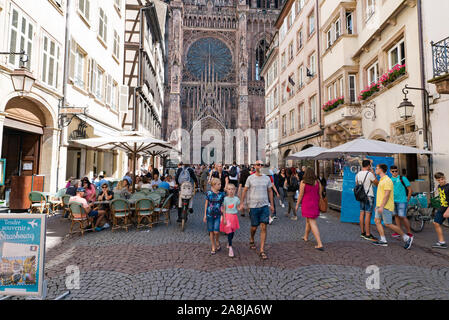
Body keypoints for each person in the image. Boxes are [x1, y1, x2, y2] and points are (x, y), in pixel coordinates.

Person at [239, 160, 275, 260]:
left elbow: (270, 191)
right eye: (258, 164)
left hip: (264, 206)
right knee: (254, 227)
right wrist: (242, 203)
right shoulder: (250, 178)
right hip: (253, 206)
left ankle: (262, 250)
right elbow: (245, 191)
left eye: (261, 165)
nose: (259, 166)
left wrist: (271, 205)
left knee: (264, 227)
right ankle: (252, 238)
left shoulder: (267, 178)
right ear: (254, 166)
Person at [372, 164, 413, 249]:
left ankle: (406, 238)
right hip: (380, 205)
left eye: (377, 168)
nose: (375, 169)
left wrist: (382, 206)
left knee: (388, 224)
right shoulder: (382, 179)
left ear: (381, 170)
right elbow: (381, 194)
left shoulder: (387, 180)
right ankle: (383, 240)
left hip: (385, 206)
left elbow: (387, 194)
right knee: (377, 221)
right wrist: (378, 206)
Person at [295, 167, 324, 251]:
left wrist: (297, 205)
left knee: (312, 222)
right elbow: (320, 194)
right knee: (308, 221)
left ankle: (319, 243)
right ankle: (306, 236)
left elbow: (300, 195)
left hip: (307, 204)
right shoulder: (317, 182)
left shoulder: (303, 182)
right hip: (315, 203)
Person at [355, 160, 379, 241]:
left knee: (362, 213)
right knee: (368, 214)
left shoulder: (358, 174)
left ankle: (362, 232)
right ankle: (368, 234)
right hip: (369, 195)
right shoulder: (370, 174)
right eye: (370, 165)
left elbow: (357, 184)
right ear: (368, 166)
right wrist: (373, 174)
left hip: (361, 196)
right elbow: (377, 183)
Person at [390, 165, 413, 239]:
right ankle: (399, 231)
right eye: (393, 171)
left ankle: (409, 232)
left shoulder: (402, 178)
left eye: (396, 171)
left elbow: (409, 189)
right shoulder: (389, 179)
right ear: (390, 172)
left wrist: (408, 198)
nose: (394, 172)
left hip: (402, 201)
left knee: (402, 216)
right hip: (393, 201)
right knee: (396, 216)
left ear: (398, 171)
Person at [204, 178, 226, 255]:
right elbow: (206, 204)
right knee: (211, 231)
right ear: (213, 185)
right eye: (218, 184)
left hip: (218, 215)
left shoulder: (222, 194)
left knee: (216, 231)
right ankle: (213, 246)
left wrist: (224, 216)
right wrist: (204, 215)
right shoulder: (208, 193)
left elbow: (223, 206)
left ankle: (217, 241)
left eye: (220, 184)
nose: (220, 185)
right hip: (209, 214)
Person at [220, 183, 240, 258]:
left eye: (232, 189)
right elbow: (224, 209)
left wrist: (240, 208)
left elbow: (238, 208)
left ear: (235, 190)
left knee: (232, 232)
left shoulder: (237, 199)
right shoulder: (225, 199)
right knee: (229, 231)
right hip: (227, 216)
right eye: (229, 189)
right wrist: (224, 218)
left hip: (234, 217)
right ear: (226, 190)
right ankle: (230, 247)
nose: (231, 191)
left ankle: (229, 242)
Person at [432, 172, 449, 249]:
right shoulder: (439, 186)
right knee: (436, 223)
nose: (441, 181)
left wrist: (448, 211)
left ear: (444, 178)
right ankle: (441, 242)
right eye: (439, 180)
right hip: (442, 208)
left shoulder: (448, 187)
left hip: (448, 208)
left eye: (442, 179)